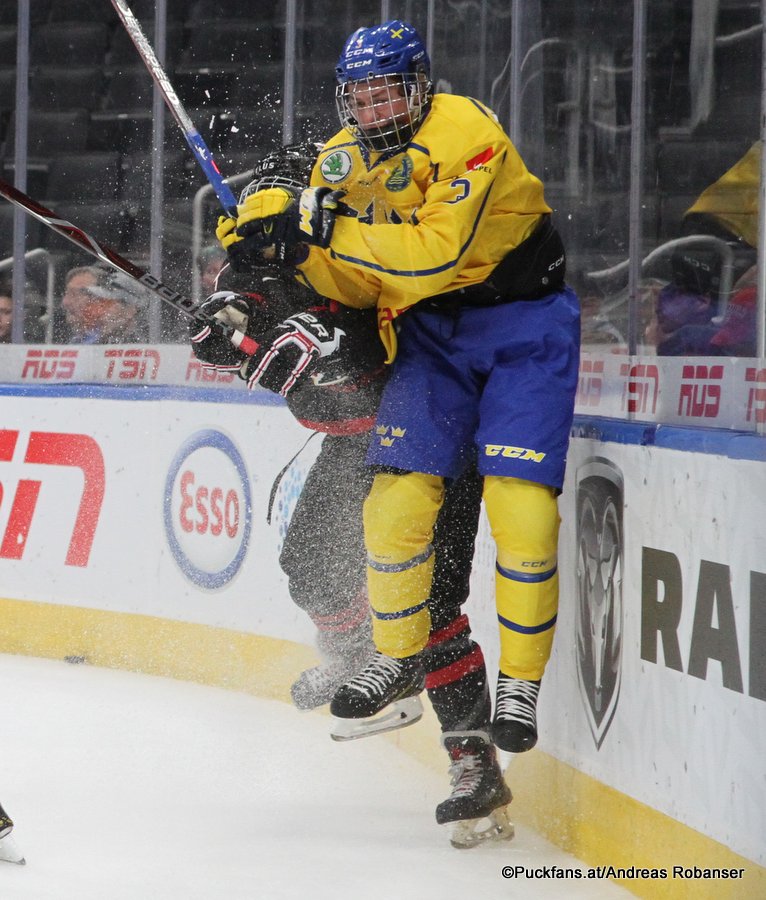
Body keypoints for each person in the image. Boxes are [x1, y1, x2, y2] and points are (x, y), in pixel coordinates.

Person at [218, 19, 579, 773]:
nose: (375, 111)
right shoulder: (345, 163)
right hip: (420, 361)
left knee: (473, 558)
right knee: (343, 549)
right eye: (362, 98)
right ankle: (377, 661)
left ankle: (478, 741)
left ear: (418, 88)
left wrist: (317, 227)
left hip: (490, 342)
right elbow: (332, 290)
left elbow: (422, 257)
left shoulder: (463, 132)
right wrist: (258, 270)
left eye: (389, 95)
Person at [193, 143, 503, 846]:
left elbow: (403, 333)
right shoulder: (258, 264)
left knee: (429, 603)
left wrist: (341, 344)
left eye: (285, 218)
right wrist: (224, 325)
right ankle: (360, 654)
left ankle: (473, 761)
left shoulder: (371, 248)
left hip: (429, 436)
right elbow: (245, 303)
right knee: (308, 564)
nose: (272, 238)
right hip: (354, 442)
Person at [59, 264, 149, 344]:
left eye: (108, 302)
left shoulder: (142, 347)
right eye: (100, 300)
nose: (103, 310)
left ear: (130, 309)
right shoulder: (83, 340)